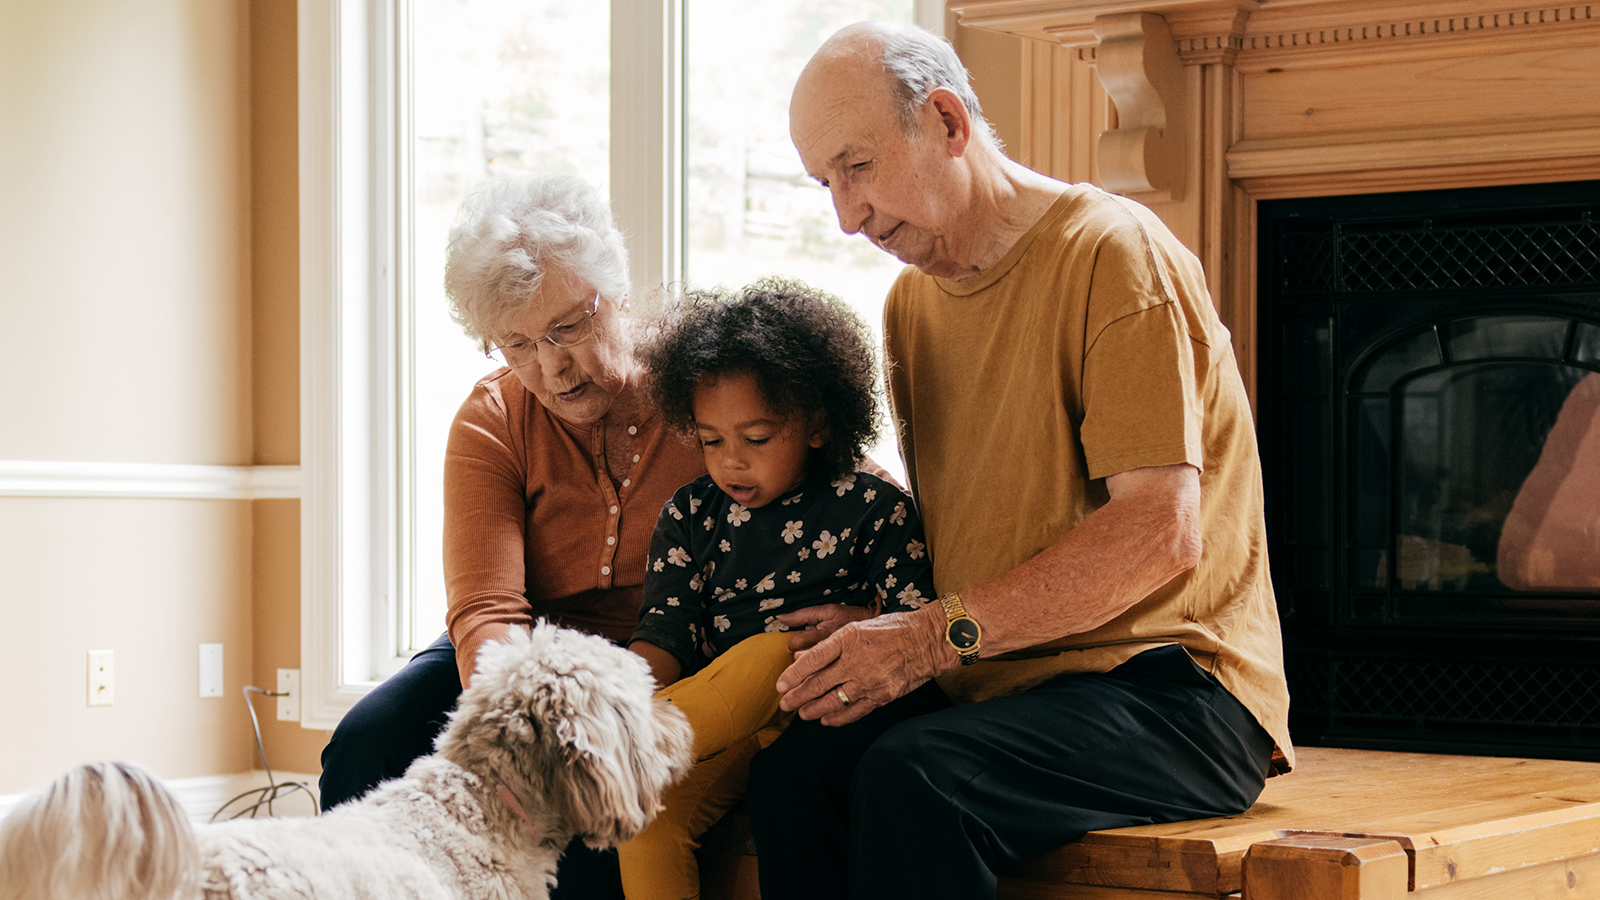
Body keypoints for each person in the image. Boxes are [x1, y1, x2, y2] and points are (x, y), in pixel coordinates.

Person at [744, 21, 1296, 900]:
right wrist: (881, 616)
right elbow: (990, 523)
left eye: (857, 169)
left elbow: (1160, 533)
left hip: (1179, 692)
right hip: (1004, 681)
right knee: (796, 776)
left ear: (948, 123)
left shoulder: (1116, 254)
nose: (845, 218)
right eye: (825, 185)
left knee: (916, 774)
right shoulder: (910, 308)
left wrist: (928, 637)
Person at [316, 172, 713, 900]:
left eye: (568, 327)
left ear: (616, 291)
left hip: (662, 649)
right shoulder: (493, 416)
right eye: (518, 344)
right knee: (367, 739)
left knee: (597, 788)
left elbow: (835, 476)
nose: (551, 368)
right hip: (520, 650)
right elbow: (487, 612)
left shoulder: (703, 383)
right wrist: (529, 726)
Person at [616, 279, 935, 900]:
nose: (731, 461)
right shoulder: (690, 514)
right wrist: (617, 686)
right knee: (643, 821)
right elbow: (665, 636)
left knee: (773, 649)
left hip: (826, 713)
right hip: (721, 725)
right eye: (711, 440)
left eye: (755, 439)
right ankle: (616, 730)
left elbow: (912, 623)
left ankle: (610, 741)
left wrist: (863, 621)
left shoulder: (873, 506)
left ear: (816, 423)